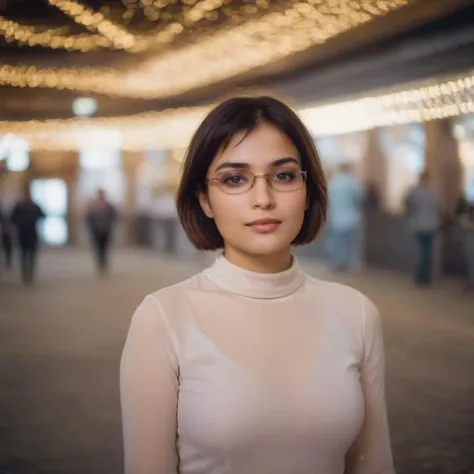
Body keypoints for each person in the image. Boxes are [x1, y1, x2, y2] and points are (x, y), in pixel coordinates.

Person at [120, 96, 395, 474]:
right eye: (235, 179)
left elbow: (374, 465)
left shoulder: (356, 313)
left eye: (282, 175)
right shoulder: (163, 318)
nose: (263, 199)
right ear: (204, 199)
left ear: (308, 187)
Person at [326, 162, 364, 271]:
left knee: (337, 243)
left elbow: (329, 200)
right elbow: (358, 200)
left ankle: (337, 262)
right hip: (352, 218)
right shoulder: (353, 182)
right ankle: (349, 264)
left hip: (336, 218)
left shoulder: (334, 182)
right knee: (350, 244)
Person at [404, 171, 439, 286]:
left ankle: (419, 277)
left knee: (419, 253)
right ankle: (426, 278)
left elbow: (408, 207)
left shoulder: (414, 191)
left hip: (418, 225)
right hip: (430, 226)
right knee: (428, 254)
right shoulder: (432, 192)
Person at [10, 186, 45, 284]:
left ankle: (26, 274)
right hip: (31, 232)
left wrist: (19, 223)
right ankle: (29, 273)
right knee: (30, 254)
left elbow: (12, 219)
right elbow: (43, 215)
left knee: (24, 254)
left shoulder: (19, 206)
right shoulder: (34, 206)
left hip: (23, 232)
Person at [86, 189, 117, 275]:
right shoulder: (93, 206)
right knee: (97, 248)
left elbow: (115, 216)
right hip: (96, 231)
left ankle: (104, 263)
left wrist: (110, 225)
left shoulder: (109, 206)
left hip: (106, 230)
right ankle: (100, 263)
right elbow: (88, 218)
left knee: (105, 248)